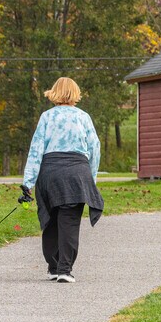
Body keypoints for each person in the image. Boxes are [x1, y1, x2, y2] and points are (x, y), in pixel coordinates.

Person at [19, 77, 104, 283]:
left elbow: (36, 149)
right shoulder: (83, 117)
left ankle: (53, 267)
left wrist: (28, 182)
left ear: (54, 92)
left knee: (50, 220)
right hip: (77, 173)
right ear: (76, 93)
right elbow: (94, 148)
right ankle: (65, 270)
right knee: (69, 222)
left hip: (50, 173)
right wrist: (90, 179)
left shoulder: (47, 117)